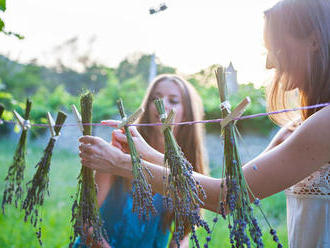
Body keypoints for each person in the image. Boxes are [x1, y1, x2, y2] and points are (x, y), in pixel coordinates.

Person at [79, 0, 330, 247]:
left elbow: (226, 197)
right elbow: (233, 186)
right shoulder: (295, 128)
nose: (269, 63)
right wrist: (146, 154)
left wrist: (122, 163)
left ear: (314, 41)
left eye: (276, 48)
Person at [75, 74, 208, 248]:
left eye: (173, 100)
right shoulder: (118, 151)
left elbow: (182, 235)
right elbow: (86, 220)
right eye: (155, 98)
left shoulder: (188, 169)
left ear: (188, 114)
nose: (163, 105)